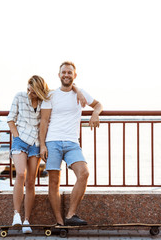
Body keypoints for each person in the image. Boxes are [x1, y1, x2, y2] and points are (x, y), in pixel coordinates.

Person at [7, 75, 86, 234]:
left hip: (36, 144)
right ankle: (16, 215)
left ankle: (27, 220)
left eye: (34, 91)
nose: (31, 93)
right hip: (20, 141)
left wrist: (78, 90)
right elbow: (10, 119)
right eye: (29, 89)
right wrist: (16, 136)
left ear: (40, 90)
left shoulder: (46, 98)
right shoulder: (20, 96)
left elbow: (67, 86)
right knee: (21, 174)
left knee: (30, 182)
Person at [39, 61, 103, 226]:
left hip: (72, 143)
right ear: (59, 75)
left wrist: (95, 113)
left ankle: (70, 215)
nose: (66, 75)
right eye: (63, 72)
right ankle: (59, 221)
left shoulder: (80, 93)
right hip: (52, 142)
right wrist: (42, 145)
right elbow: (44, 121)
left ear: (74, 76)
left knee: (84, 173)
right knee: (54, 182)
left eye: (69, 72)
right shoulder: (50, 96)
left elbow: (98, 104)